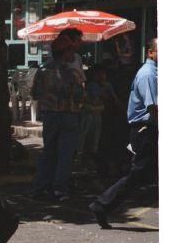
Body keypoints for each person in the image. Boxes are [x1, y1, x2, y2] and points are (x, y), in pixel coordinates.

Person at [90, 38, 158, 228]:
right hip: (146, 130)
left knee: (142, 174)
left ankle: (102, 205)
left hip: (148, 128)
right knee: (138, 174)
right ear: (151, 53)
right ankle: (102, 205)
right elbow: (153, 107)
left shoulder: (156, 72)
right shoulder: (148, 75)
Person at [29, 35, 86, 202]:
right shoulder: (70, 73)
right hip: (68, 115)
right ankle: (60, 188)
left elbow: (35, 93)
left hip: (49, 115)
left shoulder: (42, 70)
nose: (73, 54)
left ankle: (40, 186)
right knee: (65, 154)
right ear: (65, 52)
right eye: (71, 51)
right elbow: (79, 95)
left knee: (49, 152)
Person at [77, 65, 110, 170]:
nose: (103, 76)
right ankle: (83, 159)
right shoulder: (93, 86)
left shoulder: (102, 86)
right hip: (90, 114)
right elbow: (95, 100)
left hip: (96, 114)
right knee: (87, 137)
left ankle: (86, 159)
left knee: (93, 137)